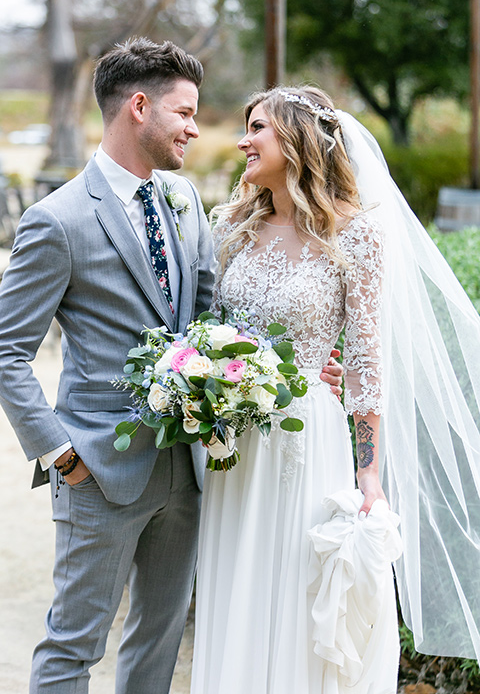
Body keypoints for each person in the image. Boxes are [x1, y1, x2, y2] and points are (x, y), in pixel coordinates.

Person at [0, 42, 343, 693]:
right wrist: (62, 454)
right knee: (74, 645)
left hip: (187, 470)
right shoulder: (58, 220)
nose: (196, 127)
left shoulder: (186, 200)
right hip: (99, 470)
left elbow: (219, 316)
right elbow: (6, 350)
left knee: (156, 646)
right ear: (138, 107)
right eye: (185, 112)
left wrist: (300, 366)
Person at [190, 86, 480, 694]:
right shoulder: (233, 226)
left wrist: (369, 476)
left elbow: (368, 361)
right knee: (238, 582)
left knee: (298, 587)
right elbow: (209, 326)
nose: (243, 140)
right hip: (233, 444)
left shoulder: (359, 236)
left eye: (257, 128)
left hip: (308, 439)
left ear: (295, 139)